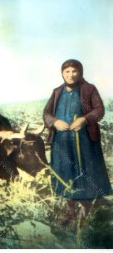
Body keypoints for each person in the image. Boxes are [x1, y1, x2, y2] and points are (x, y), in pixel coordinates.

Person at [43, 59, 112, 227]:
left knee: (85, 172)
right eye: (67, 72)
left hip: (85, 142)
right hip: (62, 141)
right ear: (62, 73)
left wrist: (84, 119)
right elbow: (46, 113)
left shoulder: (89, 89)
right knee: (65, 172)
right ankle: (70, 211)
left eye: (74, 71)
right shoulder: (57, 91)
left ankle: (87, 211)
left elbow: (99, 110)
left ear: (80, 72)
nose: (71, 75)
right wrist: (55, 122)